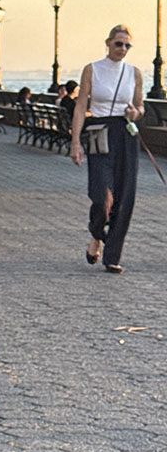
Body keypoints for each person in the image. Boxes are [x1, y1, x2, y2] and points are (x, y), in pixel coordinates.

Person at [69, 25, 144, 273]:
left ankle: (112, 255)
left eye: (127, 45)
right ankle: (97, 234)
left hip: (125, 134)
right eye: (118, 44)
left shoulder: (134, 73)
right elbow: (81, 106)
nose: (122, 49)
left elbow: (140, 108)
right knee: (101, 195)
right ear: (108, 43)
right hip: (99, 133)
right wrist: (75, 142)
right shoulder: (93, 70)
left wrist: (135, 113)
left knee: (123, 196)